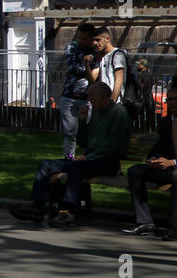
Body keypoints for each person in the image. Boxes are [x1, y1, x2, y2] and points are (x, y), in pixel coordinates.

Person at [21, 82, 131, 228]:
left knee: (76, 168)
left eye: (92, 96)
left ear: (103, 97)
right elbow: (83, 142)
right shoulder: (97, 113)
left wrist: (89, 157)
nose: (88, 99)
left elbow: (114, 145)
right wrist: (82, 120)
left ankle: (68, 210)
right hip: (89, 160)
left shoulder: (119, 113)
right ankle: (37, 207)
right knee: (46, 165)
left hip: (108, 162)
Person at [123, 77, 177, 238]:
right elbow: (160, 147)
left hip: (174, 168)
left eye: (176, 99)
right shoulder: (166, 122)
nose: (172, 103)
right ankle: (145, 222)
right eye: (170, 99)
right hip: (167, 167)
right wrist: (154, 159)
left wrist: (172, 162)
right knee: (135, 171)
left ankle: (174, 227)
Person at [59, 23, 96, 159]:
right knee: (70, 131)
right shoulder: (72, 47)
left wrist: (88, 66)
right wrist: (86, 64)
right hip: (69, 96)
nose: (81, 41)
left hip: (88, 97)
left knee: (89, 130)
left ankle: (88, 158)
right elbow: (74, 66)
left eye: (84, 39)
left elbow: (95, 72)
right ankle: (69, 158)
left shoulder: (95, 50)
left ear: (92, 39)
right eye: (79, 38)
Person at [90, 26, 128, 108]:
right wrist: (87, 63)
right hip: (103, 102)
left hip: (115, 103)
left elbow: (119, 79)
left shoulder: (117, 54)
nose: (95, 43)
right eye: (93, 40)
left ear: (107, 39)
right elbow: (92, 78)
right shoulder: (102, 56)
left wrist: (112, 101)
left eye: (98, 40)